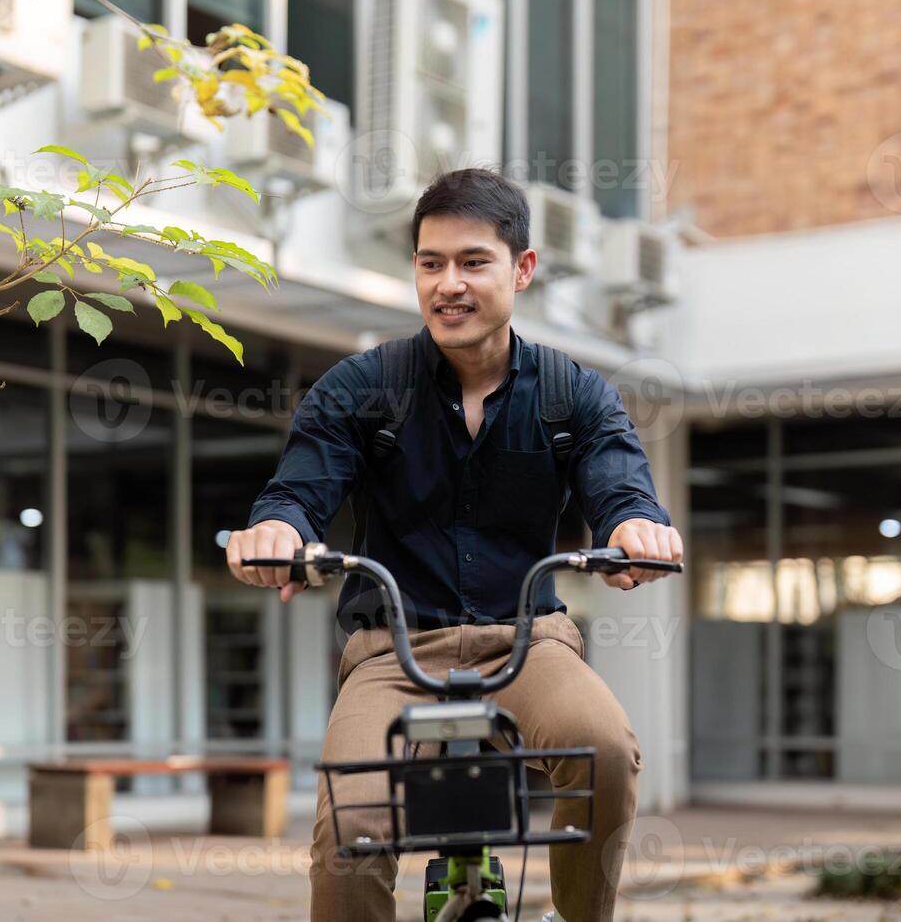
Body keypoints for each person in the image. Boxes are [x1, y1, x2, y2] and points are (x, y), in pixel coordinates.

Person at [225, 167, 682, 922]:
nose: (449, 284)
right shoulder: (362, 387)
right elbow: (298, 493)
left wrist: (635, 527)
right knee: (353, 819)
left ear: (522, 269)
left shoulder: (574, 395)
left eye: (473, 262)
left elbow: (620, 487)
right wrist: (278, 531)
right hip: (392, 651)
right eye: (430, 263)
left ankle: (582, 917)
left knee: (602, 750)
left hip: (528, 643)